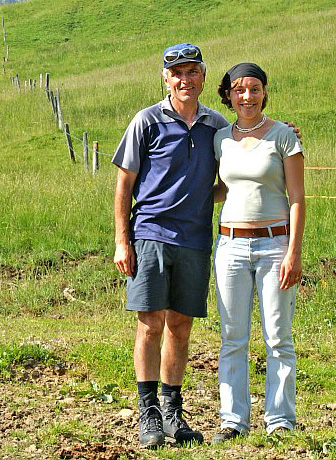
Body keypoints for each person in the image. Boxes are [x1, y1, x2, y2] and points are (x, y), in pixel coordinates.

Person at [112, 43, 229, 448]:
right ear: (166, 78)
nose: (185, 79)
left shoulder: (217, 125)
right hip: (150, 236)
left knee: (180, 326)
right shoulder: (146, 121)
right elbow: (124, 184)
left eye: (192, 72)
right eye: (176, 72)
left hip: (195, 240)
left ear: (203, 77)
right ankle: (147, 416)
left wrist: (282, 142)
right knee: (150, 324)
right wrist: (122, 240)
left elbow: (243, 158)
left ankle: (172, 414)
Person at [212, 63, 305, 443]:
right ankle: (233, 421)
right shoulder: (219, 138)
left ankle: (280, 420)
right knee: (233, 336)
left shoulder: (284, 136)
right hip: (230, 246)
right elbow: (221, 189)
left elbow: (297, 198)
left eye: (253, 89)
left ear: (264, 92)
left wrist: (294, 253)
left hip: (275, 245)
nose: (246, 96)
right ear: (229, 96)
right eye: (238, 89)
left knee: (278, 336)